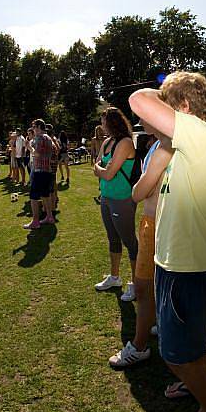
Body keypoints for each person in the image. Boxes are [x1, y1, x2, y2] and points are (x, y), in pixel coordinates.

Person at [129, 72, 206, 412]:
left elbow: (139, 99)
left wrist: (161, 93)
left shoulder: (204, 137)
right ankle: (195, 384)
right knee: (190, 344)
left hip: (187, 268)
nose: (152, 118)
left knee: (175, 352)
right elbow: (141, 193)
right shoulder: (187, 145)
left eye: (167, 107)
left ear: (183, 109)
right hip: (177, 264)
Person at [109, 125, 172, 368]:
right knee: (154, 284)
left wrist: (142, 186)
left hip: (157, 222)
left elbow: (138, 192)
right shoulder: (157, 144)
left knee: (145, 286)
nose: (141, 120)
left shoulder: (166, 146)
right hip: (154, 220)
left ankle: (139, 346)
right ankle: (154, 326)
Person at [92, 108, 138, 296]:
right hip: (106, 197)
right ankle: (114, 277)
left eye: (104, 122)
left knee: (130, 242)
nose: (102, 127)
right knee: (113, 239)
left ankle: (136, 284)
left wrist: (103, 170)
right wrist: (103, 169)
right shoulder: (107, 142)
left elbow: (107, 173)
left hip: (122, 198)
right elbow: (96, 165)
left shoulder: (125, 143)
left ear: (113, 122)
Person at [24, 120, 56, 229]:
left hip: (39, 171)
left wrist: (29, 147)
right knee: (45, 195)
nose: (33, 129)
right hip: (47, 170)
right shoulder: (48, 138)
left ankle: (35, 221)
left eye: (33, 127)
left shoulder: (39, 138)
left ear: (38, 127)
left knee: (33, 197)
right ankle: (49, 217)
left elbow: (36, 154)